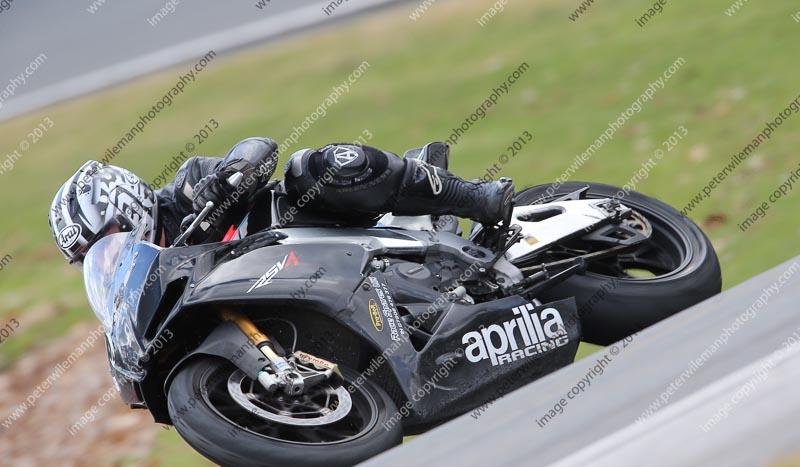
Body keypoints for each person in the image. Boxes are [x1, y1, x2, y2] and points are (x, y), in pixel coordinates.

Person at [48, 137, 514, 268]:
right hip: (303, 285)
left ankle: (475, 198)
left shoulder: (188, 186)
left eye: (103, 240)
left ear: (125, 205)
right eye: (89, 260)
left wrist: (228, 177)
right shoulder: (149, 286)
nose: (105, 259)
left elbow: (259, 148)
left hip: (323, 228)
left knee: (313, 166)